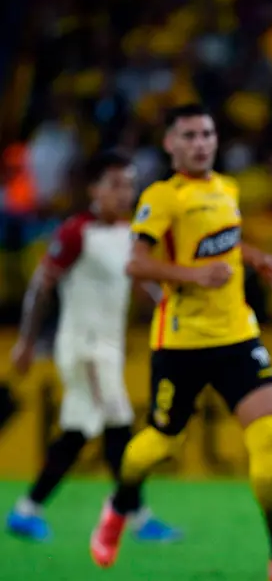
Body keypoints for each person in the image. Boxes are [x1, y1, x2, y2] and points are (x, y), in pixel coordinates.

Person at [88, 104, 272, 581]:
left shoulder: (227, 189)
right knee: (160, 442)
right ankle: (117, 507)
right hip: (181, 342)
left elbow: (224, 243)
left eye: (207, 134)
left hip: (237, 335)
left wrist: (258, 259)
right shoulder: (162, 197)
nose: (200, 143)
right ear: (171, 145)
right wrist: (194, 276)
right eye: (190, 135)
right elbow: (137, 263)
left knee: (267, 436)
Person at [5, 152, 178, 543]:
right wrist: (27, 342)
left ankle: (27, 509)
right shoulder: (75, 232)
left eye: (129, 185)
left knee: (78, 431)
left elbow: (140, 284)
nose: (124, 193)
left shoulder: (127, 234)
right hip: (83, 348)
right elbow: (40, 286)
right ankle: (137, 517)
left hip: (108, 349)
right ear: (94, 189)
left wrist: (171, 306)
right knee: (118, 426)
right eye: (115, 184)